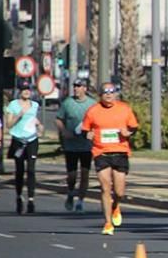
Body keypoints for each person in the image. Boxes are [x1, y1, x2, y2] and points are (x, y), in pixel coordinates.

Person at [81, 82, 139, 235]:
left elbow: (134, 127)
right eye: (105, 92)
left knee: (119, 192)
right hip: (101, 153)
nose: (108, 94)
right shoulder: (93, 111)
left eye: (111, 92)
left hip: (120, 152)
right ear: (100, 95)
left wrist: (128, 133)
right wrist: (87, 135)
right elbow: (85, 129)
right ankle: (107, 223)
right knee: (105, 188)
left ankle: (116, 206)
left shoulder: (124, 109)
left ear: (115, 94)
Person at [55, 79, 97, 212]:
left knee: (85, 174)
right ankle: (71, 192)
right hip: (71, 146)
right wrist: (64, 131)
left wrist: (93, 132)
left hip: (87, 146)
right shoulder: (67, 103)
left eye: (79, 86)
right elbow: (59, 119)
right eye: (75, 86)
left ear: (85, 88)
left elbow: (98, 121)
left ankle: (80, 201)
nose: (76, 89)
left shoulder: (92, 104)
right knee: (72, 175)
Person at [5, 81, 43, 214]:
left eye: (28, 89)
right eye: (23, 89)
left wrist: (40, 127)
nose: (26, 91)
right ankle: (19, 197)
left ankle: (31, 199)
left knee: (31, 170)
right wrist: (18, 116)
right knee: (20, 170)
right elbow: (8, 125)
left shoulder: (35, 105)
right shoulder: (13, 105)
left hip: (32, 140)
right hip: (18, 141)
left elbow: (34, 120)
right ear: (19, 91)